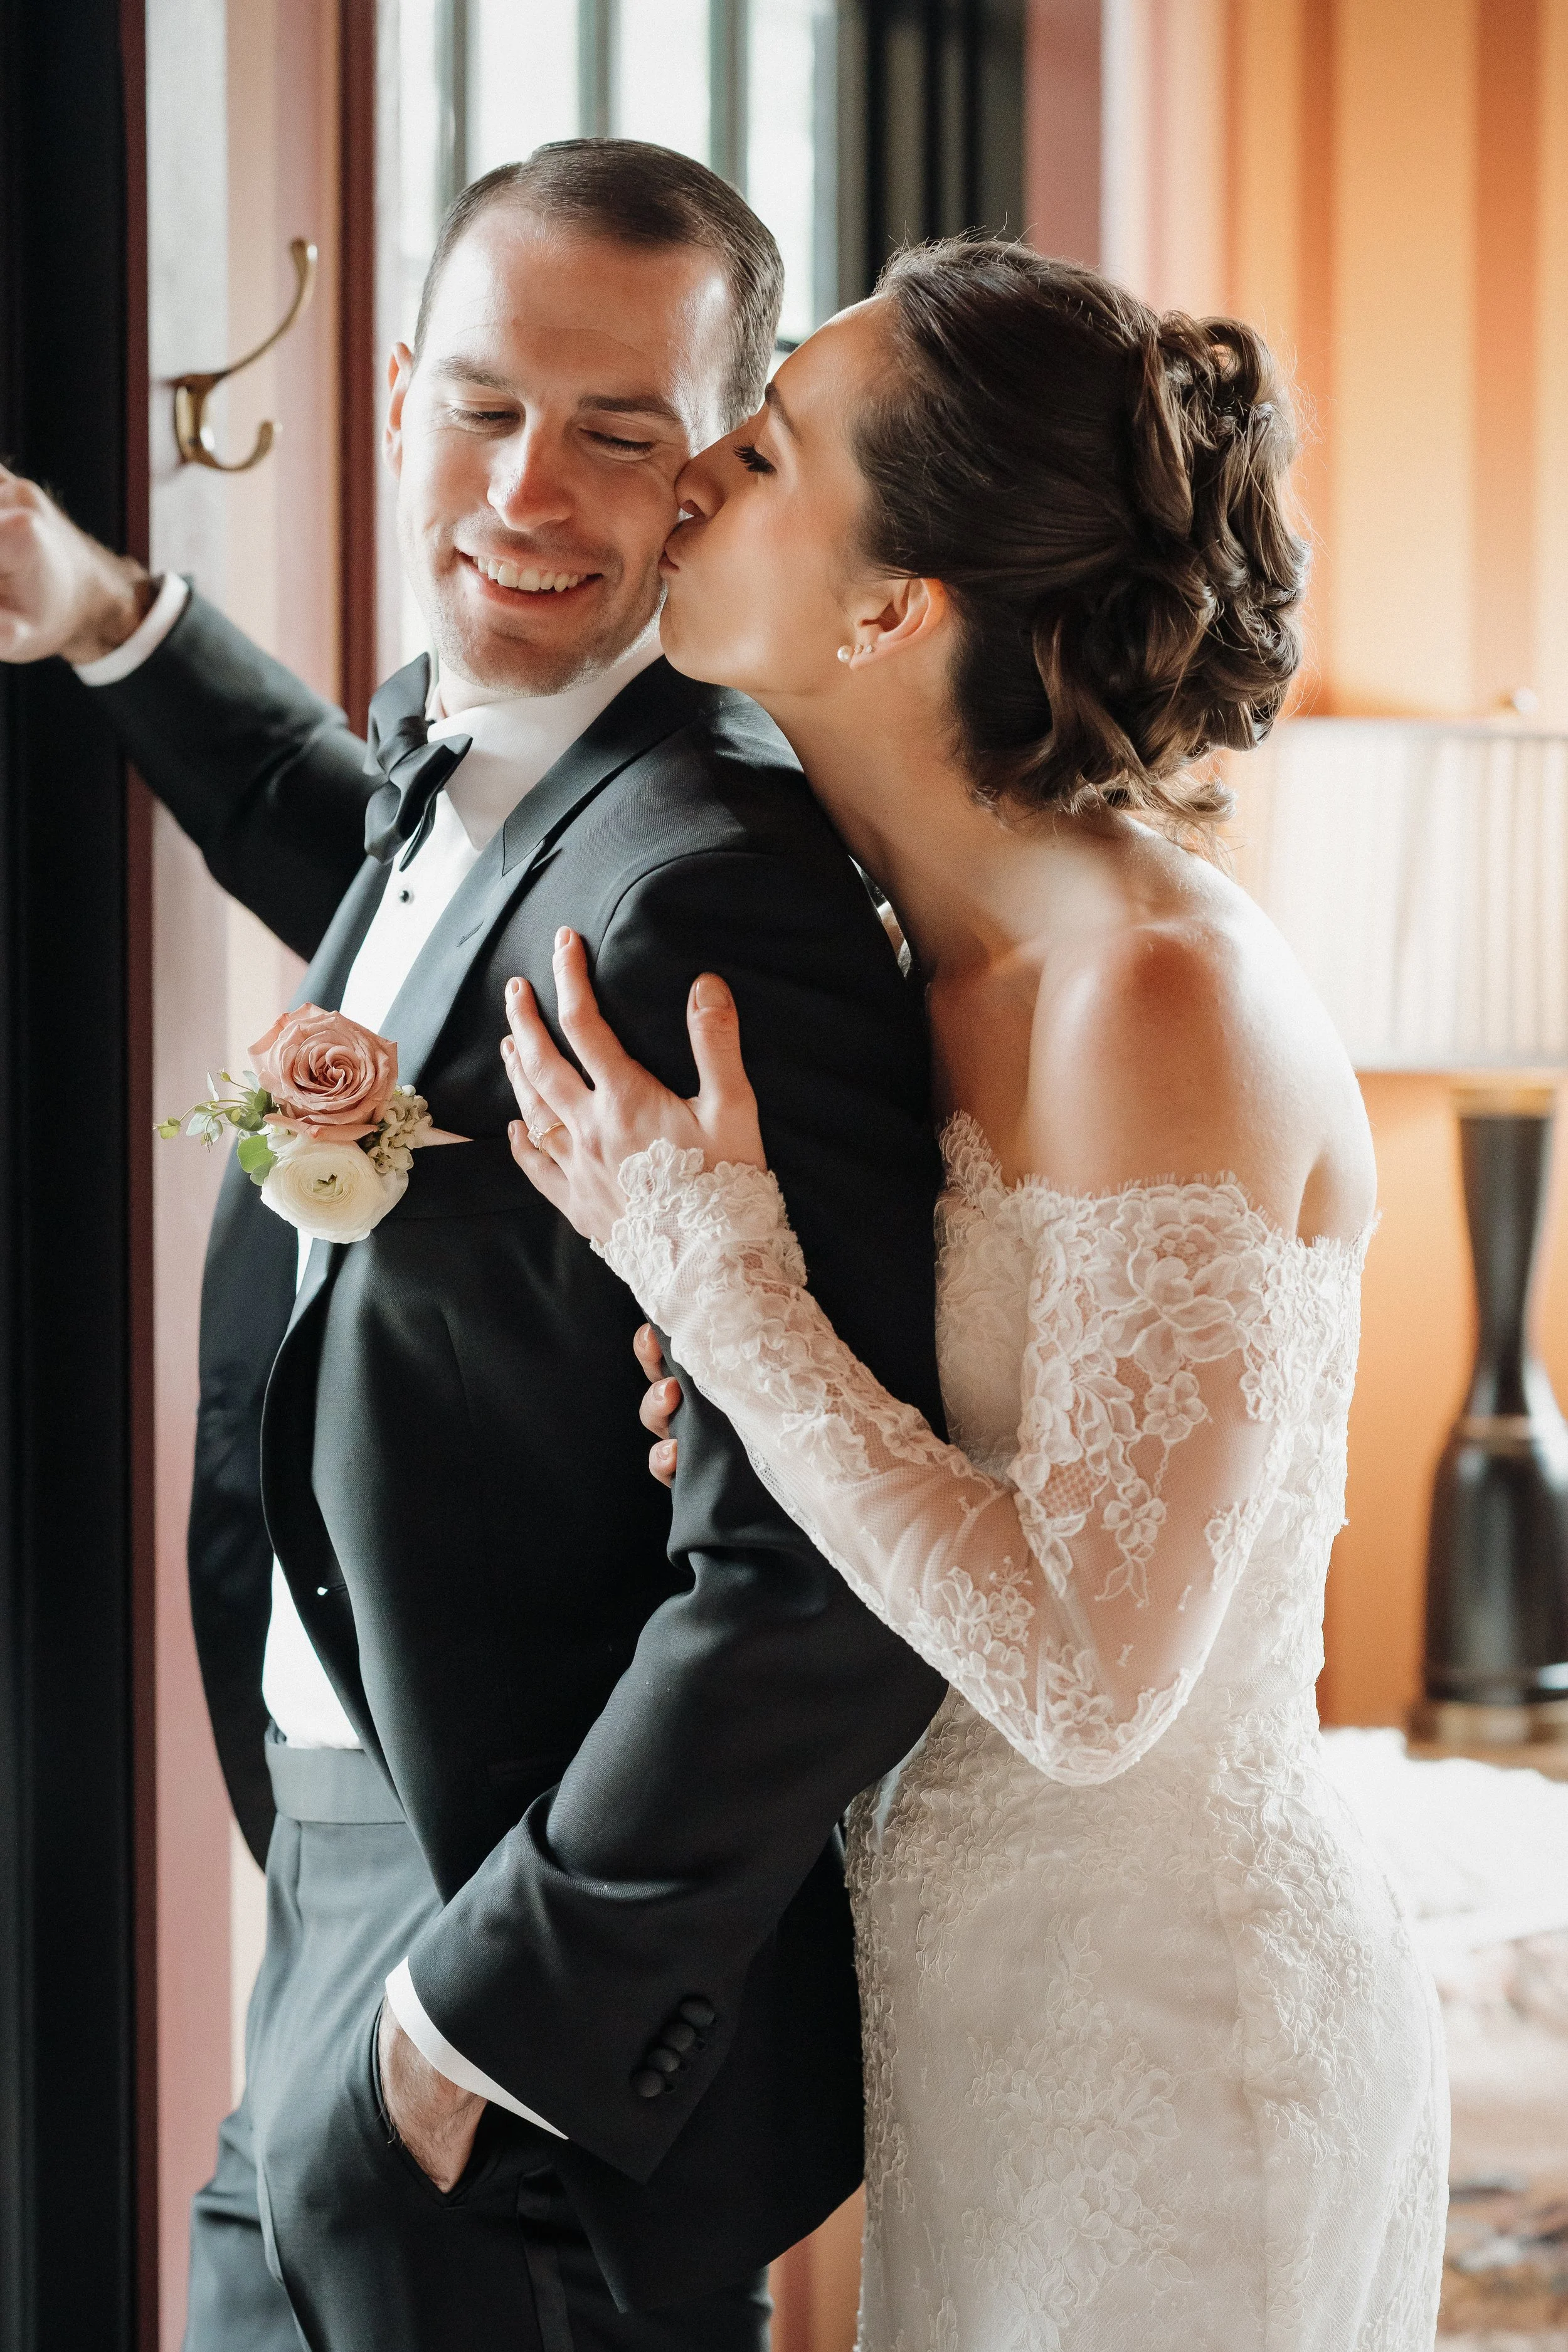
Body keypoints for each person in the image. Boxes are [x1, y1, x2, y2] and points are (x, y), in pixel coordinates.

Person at [0, 143, 950, 2352]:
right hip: (338, 1867)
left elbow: (817, 1571)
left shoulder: (721, 883)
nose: (530, 485)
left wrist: (478, 2019)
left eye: (622, 433)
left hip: (502, 1982)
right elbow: (366, 862)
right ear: (401, 389)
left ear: (718, 477)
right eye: (488, 405)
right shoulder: (495, 761)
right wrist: (111, 618)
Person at [499, 239, 1451, 2349]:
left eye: (754, 455)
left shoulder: (1156, 998)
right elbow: (970, 1466)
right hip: (975, 2024)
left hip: (1176, 2053)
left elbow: (1090, 1679)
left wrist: (719, 1279)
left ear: (884, 611)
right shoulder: (911, 961)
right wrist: (744, 1390)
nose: (684, 486)